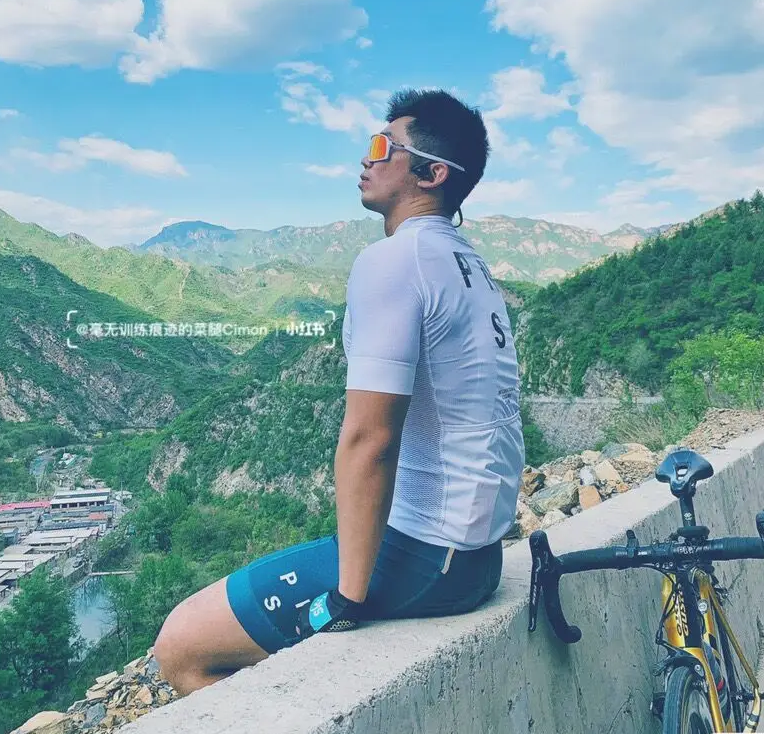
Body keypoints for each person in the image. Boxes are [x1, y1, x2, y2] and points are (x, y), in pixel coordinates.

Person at [153, 88, 526, 695]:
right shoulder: (469, 264)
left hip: (423, 554)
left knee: (182, 646)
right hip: (475, 558)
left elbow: (369, 438)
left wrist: (347, 598)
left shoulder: (394, 260)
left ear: (431, 174)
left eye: (383, 146)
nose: (366, 158)